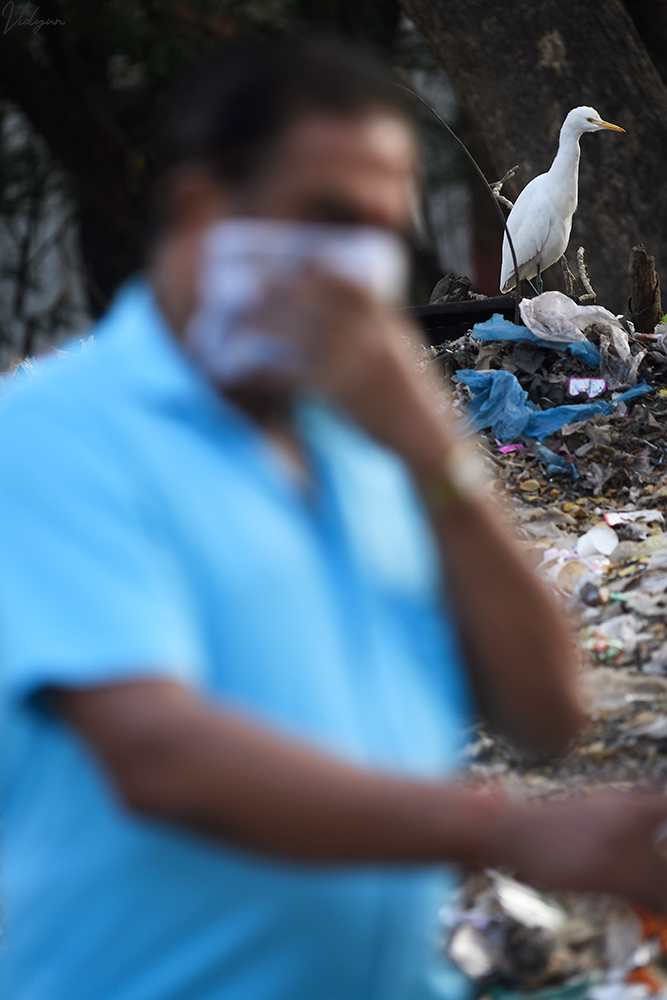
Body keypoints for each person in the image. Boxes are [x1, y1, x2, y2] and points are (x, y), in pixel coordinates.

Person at [1, 35, 666, 1000]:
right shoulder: (56, 438)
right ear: (199, 210)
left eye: (372, 225)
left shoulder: (357, 452)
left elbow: (546, 711)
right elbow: (157, 755)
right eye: (318, 216)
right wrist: (497, 830)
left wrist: (437, 458)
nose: (349, 259)